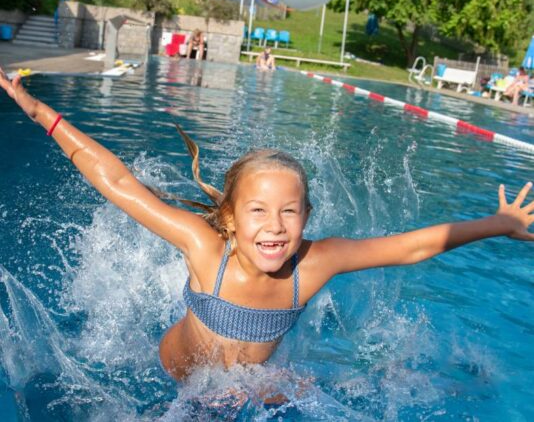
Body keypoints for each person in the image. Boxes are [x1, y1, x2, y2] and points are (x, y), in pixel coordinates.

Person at [0, 67, 532, 384]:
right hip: (171, 379)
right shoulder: (206, 247)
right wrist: (35, 107)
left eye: (289, 212)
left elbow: (411, 248)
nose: (275, 227)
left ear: (306, 218)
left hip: (247, 387)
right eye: (258, 210)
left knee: (326, 388)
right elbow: (115, 181)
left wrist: (497, 222)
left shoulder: (317, 263)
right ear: (230, 219)